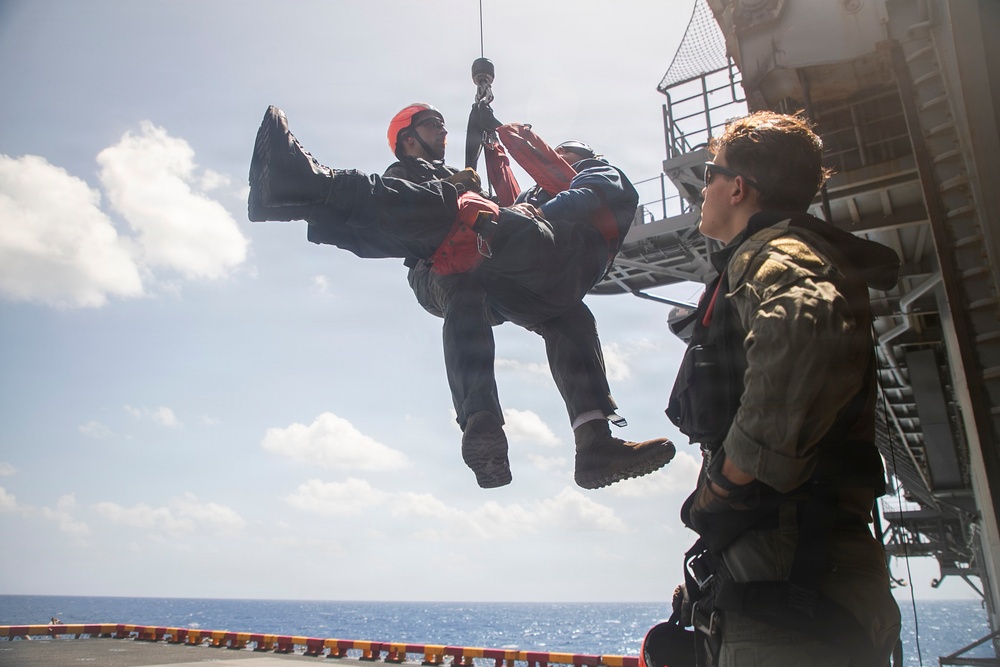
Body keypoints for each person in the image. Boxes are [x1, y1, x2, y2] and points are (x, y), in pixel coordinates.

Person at [248, 105, 676, 490]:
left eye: (445, 125)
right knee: (469, 261)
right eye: (433, 124)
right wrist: (472, 193)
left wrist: (499, 203)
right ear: (407, 138)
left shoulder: (584, 181)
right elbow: (431, 218)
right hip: (455, 268)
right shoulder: (412, 174)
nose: (444, 132)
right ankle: (487, 422)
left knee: (567, 316)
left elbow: (553, 202)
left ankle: (592, 442)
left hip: (502, 263)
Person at [664, 111, 901, 666]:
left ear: (739, 187)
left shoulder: (773, 252)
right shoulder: (780, 252)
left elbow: (803, 326)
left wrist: (729, 480)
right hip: (793, 575)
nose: (703, 191)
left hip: (791, 578)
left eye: (709, 176)